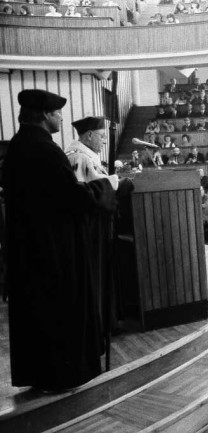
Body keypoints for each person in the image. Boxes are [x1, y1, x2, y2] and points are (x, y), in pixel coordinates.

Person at [4, 89, 117, 391]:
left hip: (30, 245)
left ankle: (42, 375)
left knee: (37, 311)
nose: (61, 118)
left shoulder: (19, 145)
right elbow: (72, 197)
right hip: (52, 248)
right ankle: (60, 377)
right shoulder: (43, 149)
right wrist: (105, 188)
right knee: (58, 308)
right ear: (44, 115)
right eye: (57, 114)